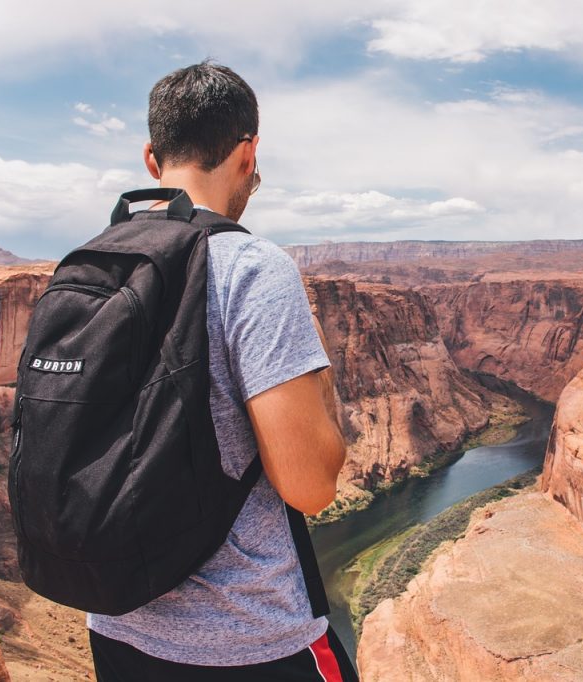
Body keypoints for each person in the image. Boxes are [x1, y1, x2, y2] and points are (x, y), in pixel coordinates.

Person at [85, 61, 357, 682]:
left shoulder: (96, 267)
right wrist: (320, 381)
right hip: (249, 643)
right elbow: (310, 487)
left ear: (152, 160)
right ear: (249, 152)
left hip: (116, 628)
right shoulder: (252, 267)